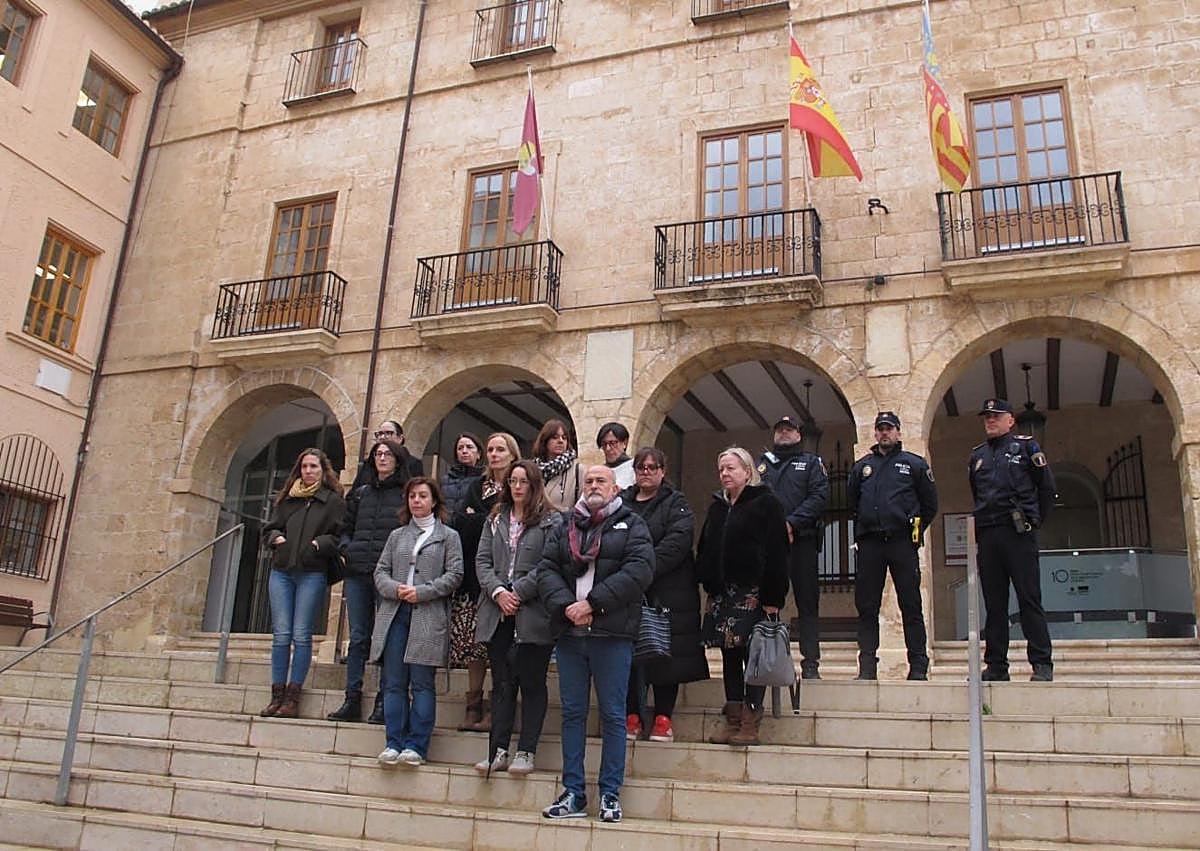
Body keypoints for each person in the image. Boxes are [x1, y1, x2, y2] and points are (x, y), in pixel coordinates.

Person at [537, 465, 654, 823]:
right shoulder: (564, 525)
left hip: (611, 635)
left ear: (616, 489)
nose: (593, 486)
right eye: (588, 481)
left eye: (601, 480)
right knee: (572, 714)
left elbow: (639, 571)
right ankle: (573, 792)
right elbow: (546, 569)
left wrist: (593, 604)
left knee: (613, 715)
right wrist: (566, 607)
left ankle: (610, 794)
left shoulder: (632, 524)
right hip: (570, 635)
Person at [473, 460, 561, 777]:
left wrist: (518, 592)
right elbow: (482, 561)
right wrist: (498, 591)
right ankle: (497, 750)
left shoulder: (552, 521)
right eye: (513, 481)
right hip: (498, 611)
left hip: (533, 612)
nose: (517, 487)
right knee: (501, 683)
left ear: (535, 485)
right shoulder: (495, 518)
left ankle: (526, 750)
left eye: (524, 481)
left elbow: (550, 563)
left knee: (532, 681)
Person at [697, 447, 789, 747]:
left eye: (731, 468)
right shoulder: (717, 507)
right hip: (723, 595)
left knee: (754, 655)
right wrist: (707, 576)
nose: (725, 474)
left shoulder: (766, 503)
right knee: (729, 655)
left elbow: (778, 552)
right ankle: (733, 717)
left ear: (748, 472)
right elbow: (705, 545)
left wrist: (773, 597)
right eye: (721, 469)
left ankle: (751, 718)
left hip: (754, 593)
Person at [371, 477, 463, 767]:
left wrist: (422, 592)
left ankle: (417, 745)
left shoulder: (448, 536)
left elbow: (455, 575)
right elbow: (380, 571)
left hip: (427, 614)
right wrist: (395, 589)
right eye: (412, 496)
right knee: (394, 682)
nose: (417, 501)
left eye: (423, 496)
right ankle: (393, 742)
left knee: (422, 682)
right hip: (396, 612)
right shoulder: (397, 535)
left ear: (434, 501)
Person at [620, 447, 707, 743]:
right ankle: (632, 715)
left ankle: (663, 717)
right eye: (641, 467)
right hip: (629, 592)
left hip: (669, 592)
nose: (646, 472)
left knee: (665, 655)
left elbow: (677, 542)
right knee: (629, 656)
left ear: (662, 471)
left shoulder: (676, 502)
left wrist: (642, 569)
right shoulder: (622, 503)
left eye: (652, 467)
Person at [969, 399, 1058, 682]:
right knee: (994, 604)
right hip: (989, 534)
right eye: (987, 417)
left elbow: (1047, 488)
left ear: (1010, 420)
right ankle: (996, 665)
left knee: (1029, 599)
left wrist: (1034, 521)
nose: (990, 421)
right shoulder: (978, 456)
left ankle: (1041, 663)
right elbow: (976, 493)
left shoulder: (1026, 448)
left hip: (1018, 533)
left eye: (996, 416)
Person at [846, 412, 939, 681]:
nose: (884, 433)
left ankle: (918, 666)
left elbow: (930, 505)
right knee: (867, 606)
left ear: (898, 432)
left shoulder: (914, 464)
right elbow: (853, 503)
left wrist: (913, 529)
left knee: (911, 605)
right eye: (880, 429)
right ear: (875, 433)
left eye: (889, 428)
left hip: (901, 542)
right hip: (871, 543)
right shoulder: (862, 467)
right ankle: (867, 667)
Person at [330, 438, 412, 723]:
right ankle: (352, 698)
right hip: (357, 572)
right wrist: (347, 549)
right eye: (378, 454)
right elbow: (345, 527)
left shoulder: (405, 495)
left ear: (398, 459)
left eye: (388, 454)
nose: (382, 458)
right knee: (358, 637)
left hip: (388, 576)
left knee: (386, 637)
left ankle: (383, 700)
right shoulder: (361, 493)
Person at [260, 448, 345, 719]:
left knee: (301, 634)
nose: (308, 471)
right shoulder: (288, 499)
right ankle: (276, 694)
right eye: (305, 466)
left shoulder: (332, 501)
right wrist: (276, 538)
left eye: (314, 467)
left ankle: (293, 696)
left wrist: (318, 544)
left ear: (323, 470)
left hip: (312, 572)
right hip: (282, 572)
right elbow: (270, 528)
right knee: (281, 635)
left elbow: (339, 536)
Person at [450, 432, 521, 732]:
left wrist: (475, 518)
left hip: (504, 578)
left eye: (500, 449)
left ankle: (498, 705)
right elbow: (460, 523)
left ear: (512, 454)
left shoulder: (518, 485)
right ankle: (473, 704)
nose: (494, 454)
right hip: (472, 576)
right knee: (473, 645)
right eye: (490, 449)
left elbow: (500, 523)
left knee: (499, 647)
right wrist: (482, 518)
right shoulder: (476, 486)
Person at [758, 415, 828, 679]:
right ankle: (766, 661)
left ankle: (811, 664)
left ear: (799, 435)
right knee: (767, 602)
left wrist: (791, 524)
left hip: (802, 543)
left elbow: (819, 497)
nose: (784, 433)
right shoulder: (762, 465)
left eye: (789, 430)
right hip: (769, 545)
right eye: (780, 430)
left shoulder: (811, 463)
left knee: (807, 603)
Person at [352, 420, 423, 490]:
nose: (382, 437)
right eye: (380, 434)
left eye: (388, 433)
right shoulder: (369, 463)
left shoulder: (413, 464)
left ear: (400, 438)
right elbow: (354, 492)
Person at [532, 419, 584, 511]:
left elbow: (582, 507)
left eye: (564, 438)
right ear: (545, 440)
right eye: (555, 437)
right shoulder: (532, 470)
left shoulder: (578, 470)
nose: (560, 441)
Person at [441, 431, 484, 516]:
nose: (464, 451)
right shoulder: (444, 480)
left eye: (469, 447)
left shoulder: (484, 479)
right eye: (460, 448)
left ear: (479, 454)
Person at [596, 422, 635, 489]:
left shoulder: (634, 468)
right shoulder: (598, 472)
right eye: (604, 444)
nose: (608, 448)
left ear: (624, 443)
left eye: (612, 443)